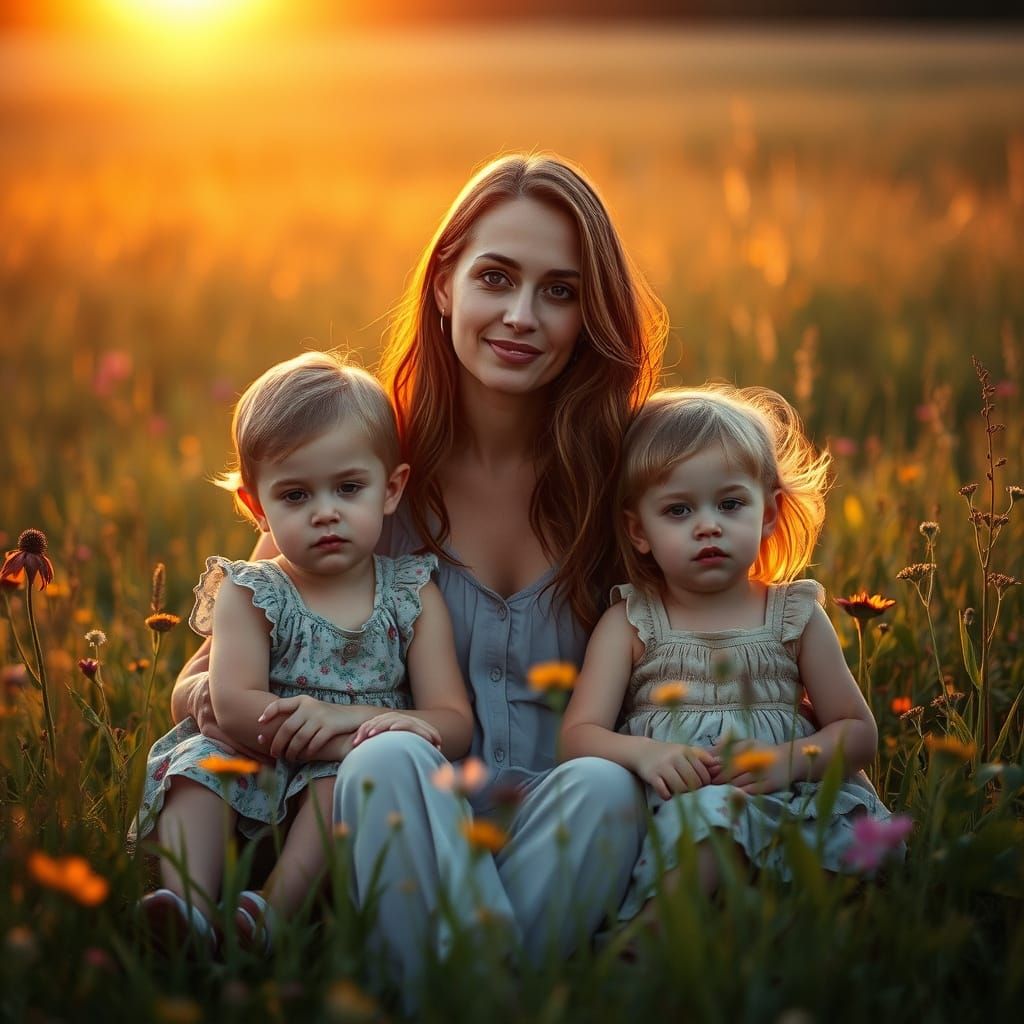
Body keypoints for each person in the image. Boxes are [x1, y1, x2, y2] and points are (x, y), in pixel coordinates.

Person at [171, 152, 669, 989]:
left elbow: (727, 638)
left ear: (591, 313)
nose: (521, 315)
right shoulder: (362, 478)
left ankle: (470, 987)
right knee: (386, 759)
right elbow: (202, 686)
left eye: (559, 290)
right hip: (399, 832)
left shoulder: (621, 483)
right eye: (496, 278)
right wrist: (321, 719)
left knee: (605, 785)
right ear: (444, 284)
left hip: (564, 842)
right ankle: (489, 992)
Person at [138, 351, 472, 954]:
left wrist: (352, 734)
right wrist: (319, 736)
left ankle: (268, 914)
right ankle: (189, 905)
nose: (326, 513)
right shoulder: (252, 590)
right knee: (198, 769)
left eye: (349, 488)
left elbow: (452, 721)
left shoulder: (411, 593)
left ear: (392, 489)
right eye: (295, 495)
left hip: (345, 765)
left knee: (342, 781)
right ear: (256, 508)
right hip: (255, 753)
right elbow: (231, 704)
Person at [560, 384, 892, 923]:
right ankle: (642, 950)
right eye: (678, 509)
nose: (708, 524)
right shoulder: (631, 622)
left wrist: (785, 761)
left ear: (769, 513)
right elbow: (578, 736)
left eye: (731, 504)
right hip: (682, 811)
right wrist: (645, 754)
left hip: (790, 801)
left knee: (841, 891)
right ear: (638, 530)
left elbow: (858, 732)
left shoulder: (794, 616)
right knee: (711, 825)